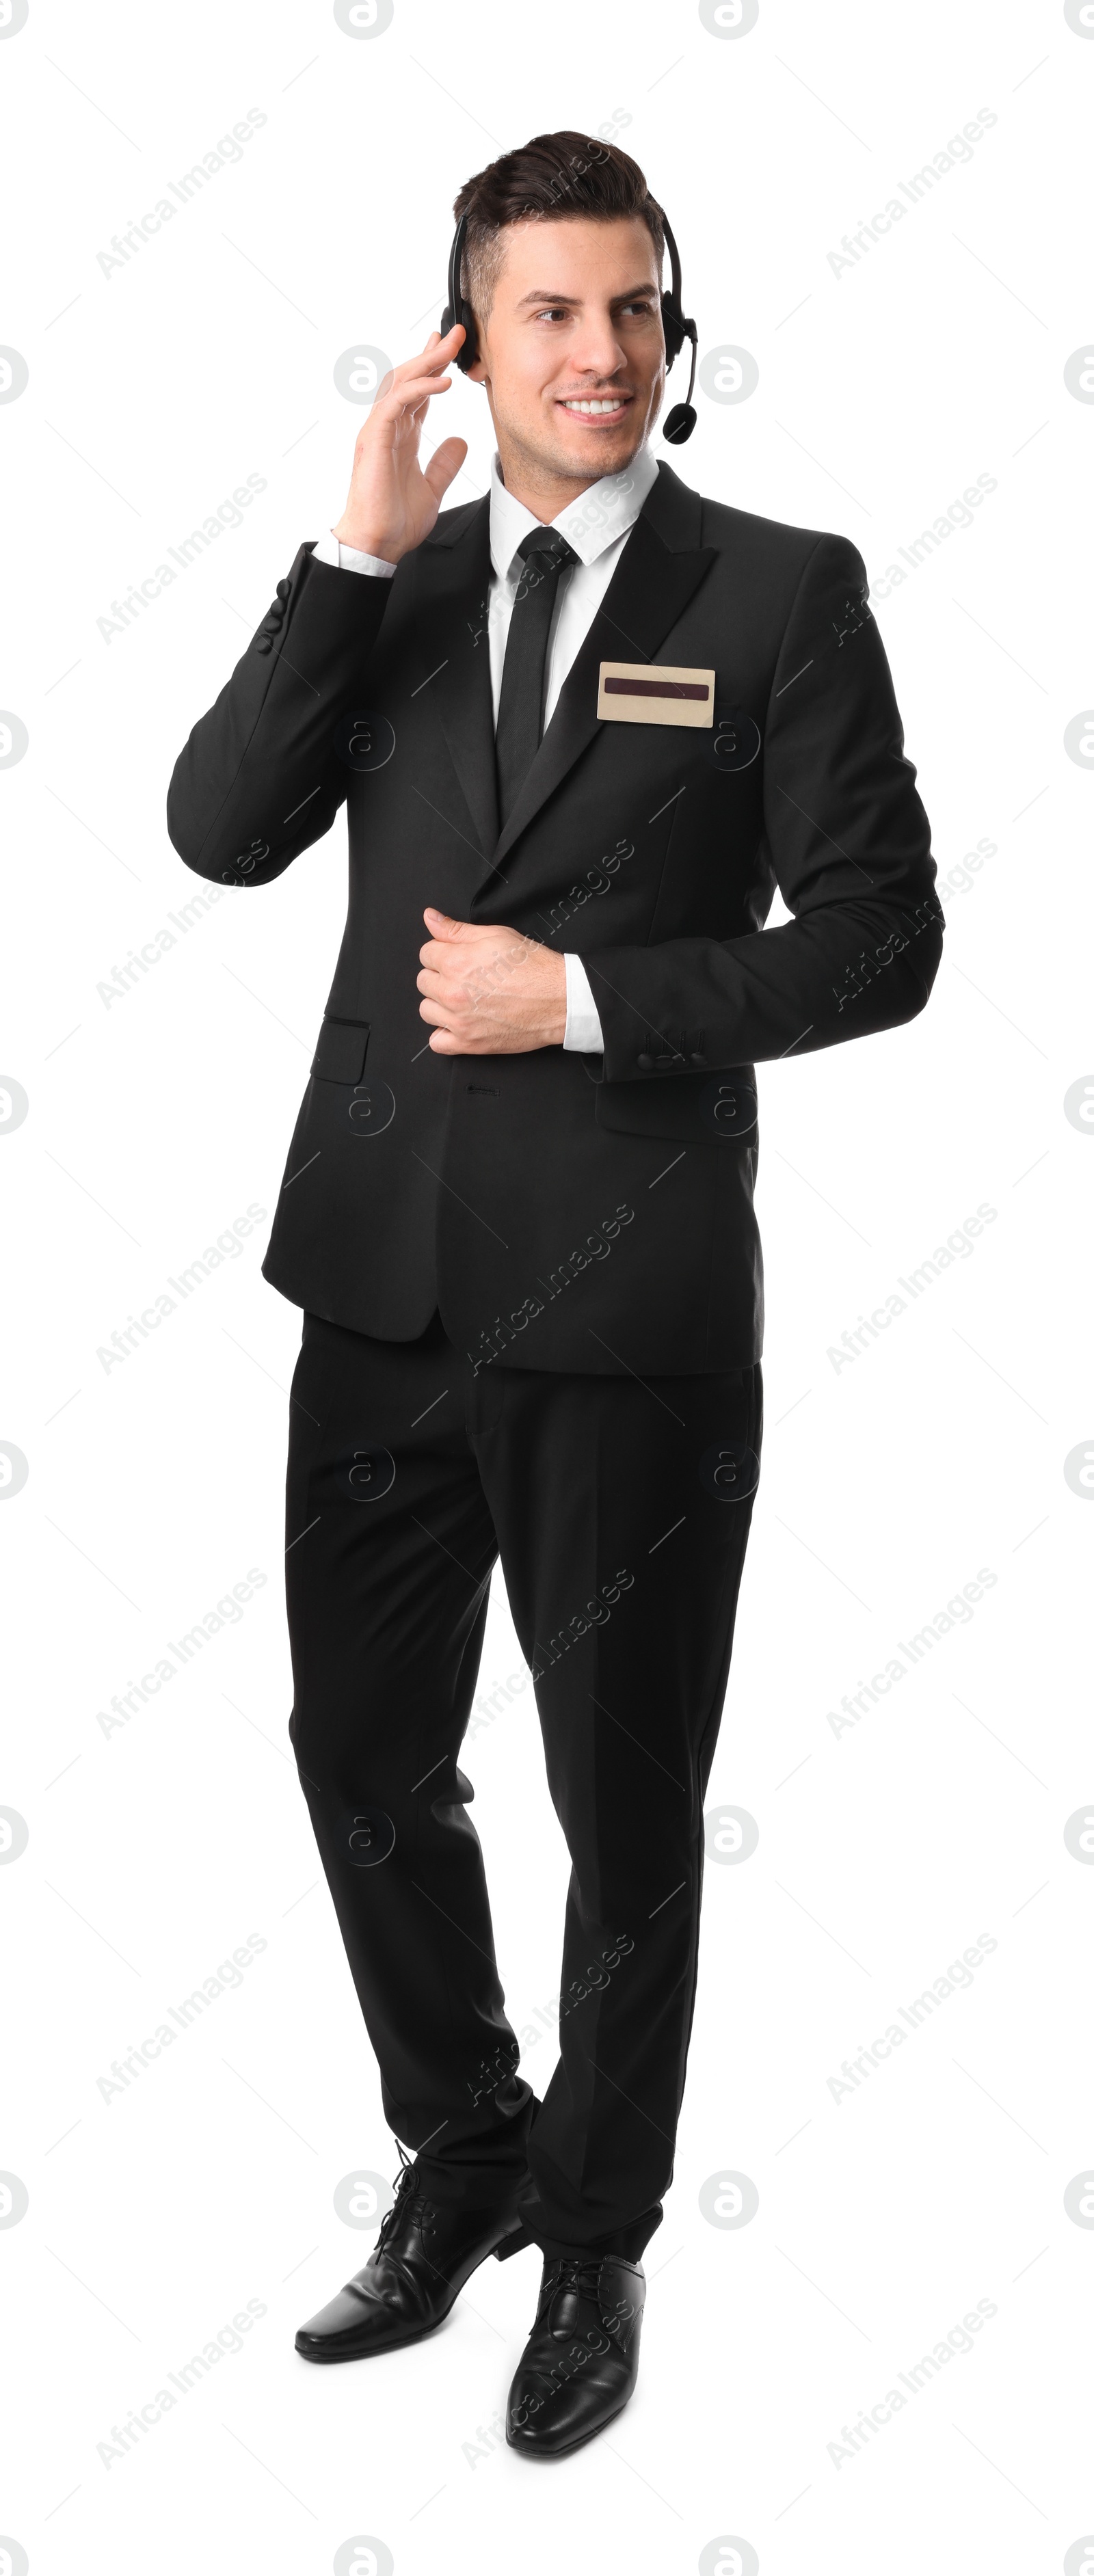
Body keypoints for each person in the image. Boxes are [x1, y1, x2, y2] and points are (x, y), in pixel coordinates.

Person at [167, 131, 943, 2460]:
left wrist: (589, 1002)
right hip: (382, 1291)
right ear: (464, 346)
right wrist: (342, 549)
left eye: (634, 310)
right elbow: (217, 825)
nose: (599, 354)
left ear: (673, 332)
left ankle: (595, 2237)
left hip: (631, 1313)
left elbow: (883, 945)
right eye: (550, 316)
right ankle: (467, 2150)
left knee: (626, 1804)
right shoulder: (389, 593)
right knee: (362, 1757)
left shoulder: (784, 589)